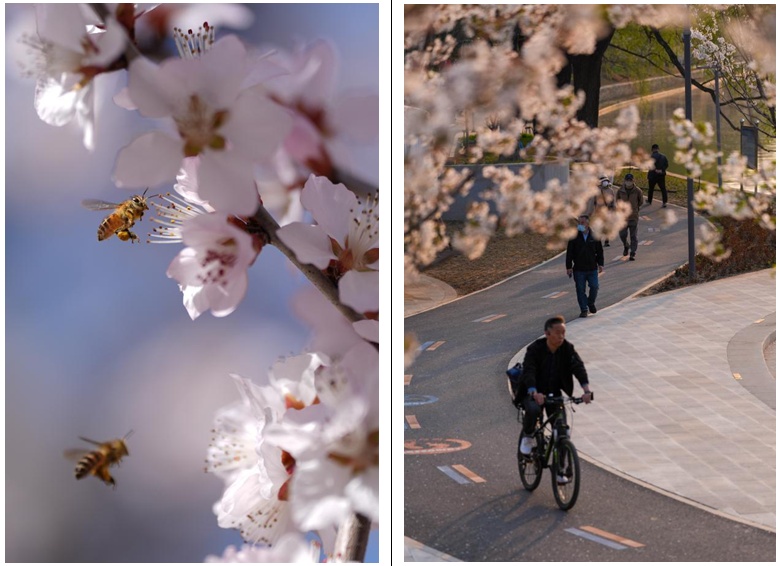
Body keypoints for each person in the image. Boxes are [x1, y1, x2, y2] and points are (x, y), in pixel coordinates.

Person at [519, 316, 593, 464]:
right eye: (558, 333)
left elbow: (578, 367)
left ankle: (560, 469)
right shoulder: (535, 349)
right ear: (547, 334)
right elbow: (529, 370)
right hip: (533, 391)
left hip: (554, 393)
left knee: (562, 430)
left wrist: (586, 390)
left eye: (563, 333)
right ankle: (527, 437)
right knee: (533, 410)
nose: (561, 337)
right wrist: (534, 391)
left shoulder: (567, 348)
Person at [566, 215, 603, 318]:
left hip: (592, 268)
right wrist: (569, 267)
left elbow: (599, 251)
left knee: (594, 286)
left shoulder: (594, 236)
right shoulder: (574, 237)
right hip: (579, 269)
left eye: (582, 223)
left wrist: (600, 264)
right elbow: (569, 253)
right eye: (579, 223)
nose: (580, 225)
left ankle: (590, 302)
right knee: (580, 289)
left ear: (587, 224)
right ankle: (584, 309)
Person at [616, 173, 643, 261]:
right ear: (624, 181)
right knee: (622, 234)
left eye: (630, 180)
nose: (629, 182)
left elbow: (640, 202)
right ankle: (626, 245)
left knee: (633, 236)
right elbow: (617, 201)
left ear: (633, 181)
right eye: (627, 180)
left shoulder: (637, 191)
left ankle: (633, 252)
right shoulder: (620, 191)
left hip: (633, 217)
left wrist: (634, 208)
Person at [584, 175, 616, 247]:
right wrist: (589, 212)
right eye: (604, 181)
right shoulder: (596, 191)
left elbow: (613, 201)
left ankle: (606, 240)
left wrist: (614, 209)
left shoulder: (610, 190)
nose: (605, 182)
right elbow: (592, 202)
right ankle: (599, 240)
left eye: (606, 181)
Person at [647, 143, 669, 207]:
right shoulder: (663, 156)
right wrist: (661, 170)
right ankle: (664, 202)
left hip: (652, 175)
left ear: (652, 149)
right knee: (663, 189)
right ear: (658, 149)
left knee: (651, 189)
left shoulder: (650, 157)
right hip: (661, 175)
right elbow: (667, 165)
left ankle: (649, 201)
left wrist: (655, 170)